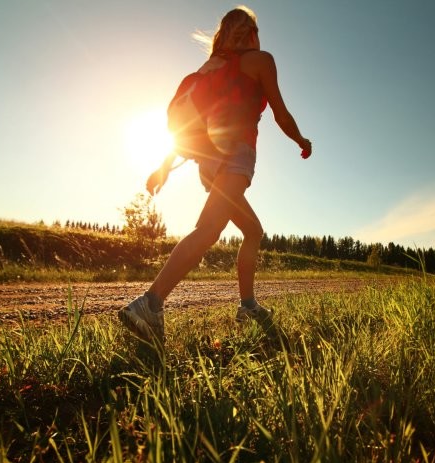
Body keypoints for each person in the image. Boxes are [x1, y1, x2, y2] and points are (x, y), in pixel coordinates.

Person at [119, 6, 312, 342]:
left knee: (252, 230)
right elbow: (281, 114)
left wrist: (163, 168)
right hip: (236, 156)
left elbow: (188, 127)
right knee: (209, 229)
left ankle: (248, 305)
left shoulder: (206, 71)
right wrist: (301, 141)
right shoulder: (260, 60)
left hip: (208, 164)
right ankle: (150, 303)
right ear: (251, 33)